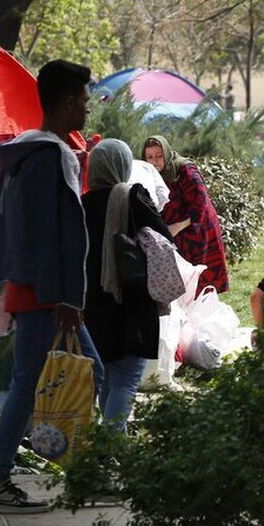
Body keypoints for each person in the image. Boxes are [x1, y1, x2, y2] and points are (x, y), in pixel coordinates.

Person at [0, 59, 104, 514]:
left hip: (29, 287)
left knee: (68, 378)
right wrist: (69, 297)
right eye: (86, 102)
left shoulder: (21, 154)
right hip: (47, 294)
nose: (88, 111)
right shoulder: (56, 157)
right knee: (46, 383)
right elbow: (66, 234)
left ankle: (86, 474)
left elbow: (9, 226)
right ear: (69, 102)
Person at [81, 139, 174, 432]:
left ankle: (108, 444)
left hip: (92, 303)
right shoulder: (133, 196)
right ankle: (110, 446)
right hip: (129, 299)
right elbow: (163, 237)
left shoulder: (81, 203)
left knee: (108, 374)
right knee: (126, 379)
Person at [142, 135, 229, 296]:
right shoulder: (148, 173)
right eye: (149, 157)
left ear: (166, 155)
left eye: (159, 156)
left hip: (198, 228)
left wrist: (178, 226)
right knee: (179, 277)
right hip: (173, 231)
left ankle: (200, 312)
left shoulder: (184, 170)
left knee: (199, 276)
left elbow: (200, 202)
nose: (154, 161)